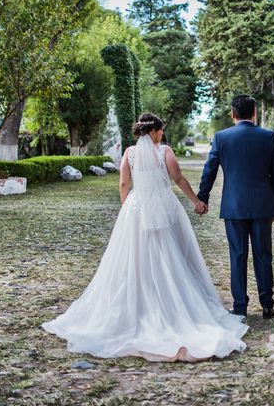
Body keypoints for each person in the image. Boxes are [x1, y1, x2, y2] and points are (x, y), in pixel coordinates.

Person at [42, 113, 248, 362]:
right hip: (164, 207)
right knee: (171, 255)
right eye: (160, 131)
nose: (162, 135)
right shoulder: (165, 152)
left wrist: (127, 208)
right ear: (154, 131)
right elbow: (179, 178)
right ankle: (173, 306)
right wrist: (196, 201)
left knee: (134, 257)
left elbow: (123, 184)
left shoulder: (129, 153)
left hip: (137, 208)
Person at [196, 95, 274, 321]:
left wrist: (202, 197)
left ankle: (240, 306)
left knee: (238, 254)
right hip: (263, 205)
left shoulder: (221, 137)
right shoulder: (268, 137)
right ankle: (267, 304)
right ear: (254, 112)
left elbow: (210, 170)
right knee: (264, 254)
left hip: (234, 206)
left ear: (233, 114)